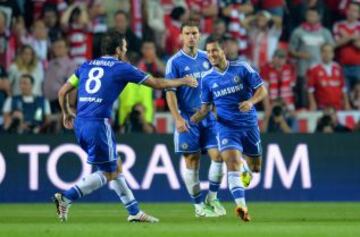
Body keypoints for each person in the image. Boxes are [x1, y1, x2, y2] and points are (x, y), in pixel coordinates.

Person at [54, 31, 198, 223]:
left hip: (81, 123)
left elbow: (63, 91)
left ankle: (134, 211)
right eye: (124, 47)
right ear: (117, 49)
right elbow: (156, 83)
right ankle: (66, 197)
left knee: (116, 166)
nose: (126, 50)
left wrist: (65, 112)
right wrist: (183, 81)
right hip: (98, 125)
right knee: (109, 172)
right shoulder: (121, 67)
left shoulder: (86, 66)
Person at [190, 40, 268, 221]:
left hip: (249, 125)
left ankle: (246, 168)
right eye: (208, 52)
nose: (211, 55)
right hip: (226, 127)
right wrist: (195, 118)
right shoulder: (207, 79)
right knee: (231, 163)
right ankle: (242, 206)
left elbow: (262, 91)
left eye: (214, 51)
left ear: (223, 51)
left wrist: (251, 102)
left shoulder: (242, 68)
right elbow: (206, 107)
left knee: (256, 168)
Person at [165, 21, 225, 218]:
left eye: (194, 33)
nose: (191, 36)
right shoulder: (174, 62)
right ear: (181, 36)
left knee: (219, 156)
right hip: (187, 118)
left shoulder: (207, 58)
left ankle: (212, 197)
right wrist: (177, 118)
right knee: (192, 161)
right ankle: (199, 206)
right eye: (187, 33)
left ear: (199, 36)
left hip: (208, 117)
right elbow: (170, 92)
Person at [307, 43, 351, 111]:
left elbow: (343, 88)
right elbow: (310, 89)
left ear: (333, 54)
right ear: (321, 53)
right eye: (324, 51)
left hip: (338, 107)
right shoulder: (314, 69)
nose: (327, 54)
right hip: (322, 107)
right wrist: (312, 103)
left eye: (329, 51)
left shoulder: (338, 68)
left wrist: (346, 103)